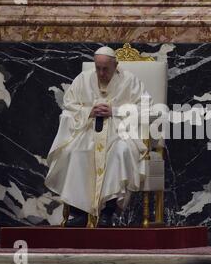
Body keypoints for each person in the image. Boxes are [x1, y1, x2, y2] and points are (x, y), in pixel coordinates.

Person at [45, 46, 151, 227]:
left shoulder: (130, 81)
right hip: (88, 132)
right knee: (74, 151)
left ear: (115, 65)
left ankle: (107, 213)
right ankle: (79, 213)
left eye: (105, 69)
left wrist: (115, 111)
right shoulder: (83, 80)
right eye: (98, 68)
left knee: (121, 152)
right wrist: (88, 111)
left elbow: (146, 108)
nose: (101, 73)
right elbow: (69, 106)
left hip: (120, 134)